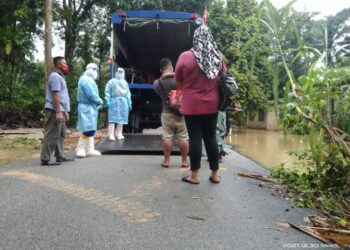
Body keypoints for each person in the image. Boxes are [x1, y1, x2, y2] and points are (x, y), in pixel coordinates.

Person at [175, 25, 223, 184]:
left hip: (192, 104)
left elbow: (178, 80)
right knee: (210, 137)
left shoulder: (186, 56)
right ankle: (215, 174)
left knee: (195, 137)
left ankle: (194, 176)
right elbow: (223, 79)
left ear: (195, 38)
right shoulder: (218, 57)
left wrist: (188, 87)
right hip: (212, 105)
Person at [154, 58, 190, 168]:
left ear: (161, 70)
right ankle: (184, 161)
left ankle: (166, 161)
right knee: (183, 137)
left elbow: (160, 93)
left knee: (167, 137)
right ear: (170, 67)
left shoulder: (157, 83)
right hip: (182, 112)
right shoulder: (180, 78)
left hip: (166, 113)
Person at [40, 56, 73, 166]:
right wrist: (59, 112)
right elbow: (55, 95)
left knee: (61, 134)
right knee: (52, 134)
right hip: (55, 110)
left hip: (61, 110)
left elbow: (62, 96)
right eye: (64, 63)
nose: (66, 65)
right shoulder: (55, 76)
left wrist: (65, 111)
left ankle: (59, 156)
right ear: (58, 65)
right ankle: (45, 159)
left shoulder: (61, 77)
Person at [75, 63, 103, 158]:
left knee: (91, 129)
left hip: (91, 107)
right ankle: (80, 148)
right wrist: (99, 101)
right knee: (87, 129)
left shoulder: (90, 80)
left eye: (96, 69)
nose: (96, 71)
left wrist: (96, 103)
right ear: (88, 69)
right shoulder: (85, 79)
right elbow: (90, 94)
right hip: (86, 107)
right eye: (94, 69)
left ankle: (90, 149)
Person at [104, 67, 132, 140]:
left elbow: (128, 93)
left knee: (121, 119)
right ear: (116, 72)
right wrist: (108, 100)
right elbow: (107, 91)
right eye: (118, 71)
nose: (119, 73)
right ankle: (111, 134)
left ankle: (118, 133)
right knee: (112, 119)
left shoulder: (125, 82)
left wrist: (129, 102)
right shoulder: (111, 81)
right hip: (114, 101)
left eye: (121, 72)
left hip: (123, 102)